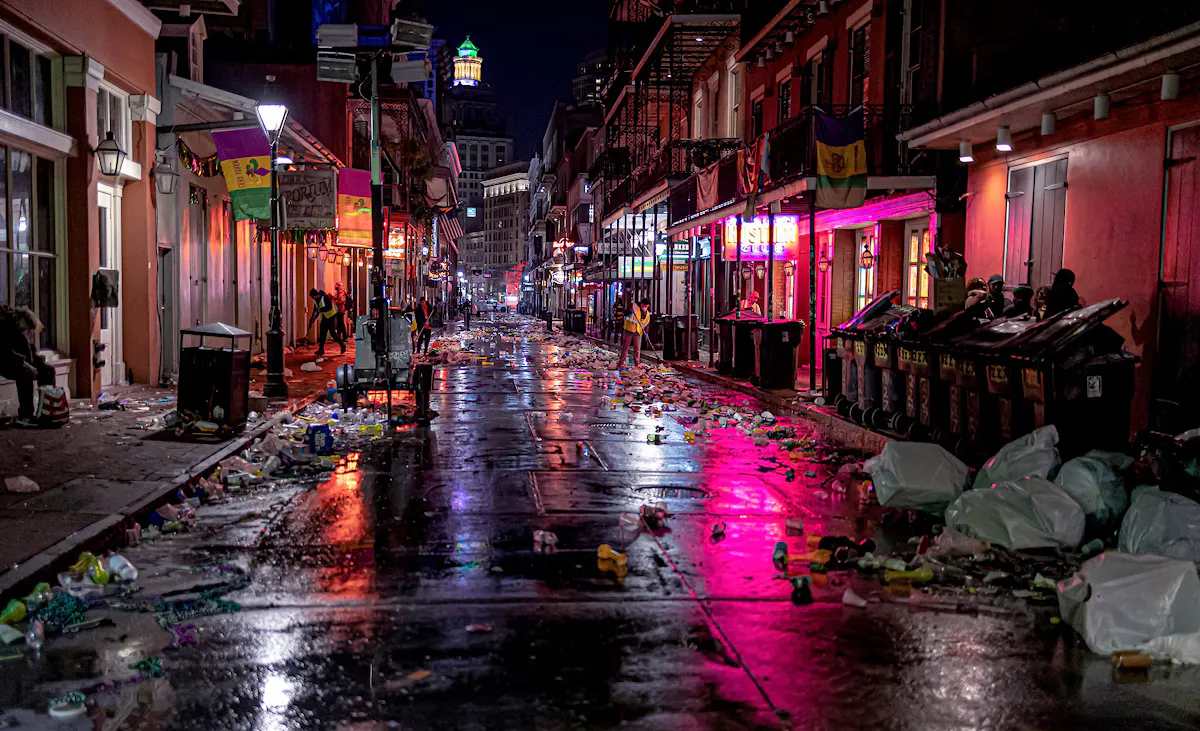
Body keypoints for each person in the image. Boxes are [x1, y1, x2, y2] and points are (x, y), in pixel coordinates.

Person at [0, 307, 54, 427]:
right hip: (3, 359)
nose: (26, 331)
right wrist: (23, 363)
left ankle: (46, 410)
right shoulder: (3, 325)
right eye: (26, 328)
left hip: (13, 359)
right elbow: (3, 351)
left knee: (48, 370)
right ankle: (25, 415)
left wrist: (36, 359)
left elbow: (25, 347)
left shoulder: (18, 329)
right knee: (25, 372)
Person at [308, 288, 345, 356]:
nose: (313, 298)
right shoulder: (316, 301)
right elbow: (315, 312)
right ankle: (321, 349)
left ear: (316, 295)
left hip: (331, 315)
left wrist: (320, 309)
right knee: (322, 333)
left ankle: (342, 345)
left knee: (332, 333)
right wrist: (311, 321)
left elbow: (328, 308)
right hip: (324, 317)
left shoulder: (325, 297)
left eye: (313, 297)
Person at [617, 298, 652, 369]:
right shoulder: (633, 306)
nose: (646, 308)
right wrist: (629, 311)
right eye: (645, 306)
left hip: (638, 331)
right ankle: (621, 362)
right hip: (629, 329)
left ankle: (637, 364)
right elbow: (625, 313)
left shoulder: (647, 313)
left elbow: (646, 323)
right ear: (642, 304)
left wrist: (646, 333)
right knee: (625, 347)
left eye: (647, 306)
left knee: (637, 348)